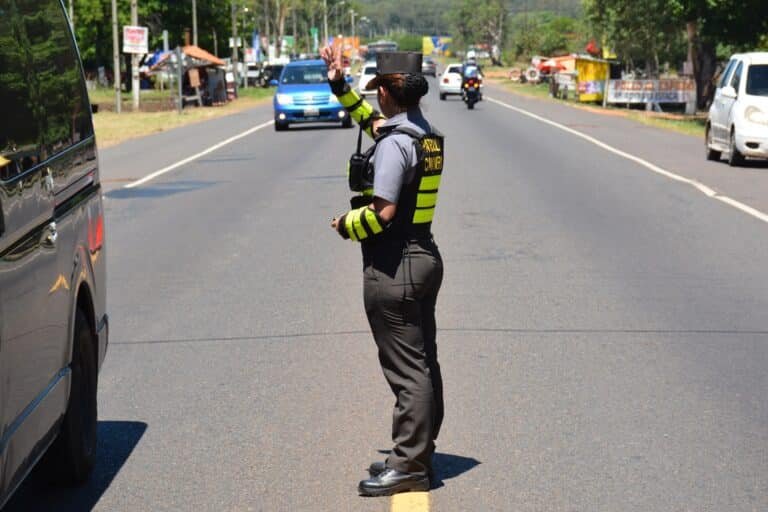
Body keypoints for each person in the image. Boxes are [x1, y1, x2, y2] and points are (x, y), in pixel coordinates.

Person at [321, 45, 445, 497]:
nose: (374, 100)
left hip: (394, 266)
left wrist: (345, 225)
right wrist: (338, 83)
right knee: (423, 361)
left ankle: (409, 464)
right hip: (423, 256)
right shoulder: (422, 133)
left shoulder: (394, 145)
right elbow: (366, 119)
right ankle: (418, 453)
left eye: (377, 91)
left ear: (391, 92)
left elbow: (383, 213)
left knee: (407, 369)